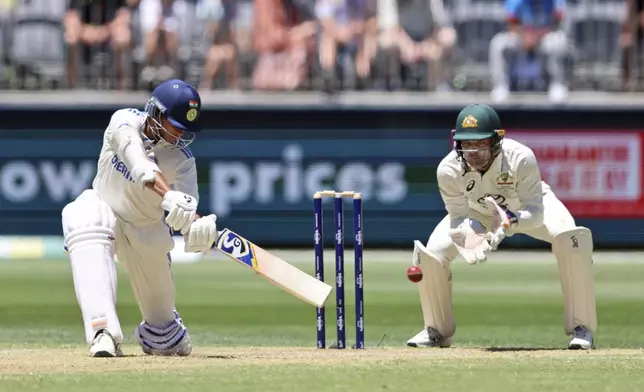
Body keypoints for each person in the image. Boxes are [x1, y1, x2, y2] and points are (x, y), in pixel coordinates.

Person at [407, 104, 597, 350]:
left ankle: (582, 328)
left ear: (497, 140)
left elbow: (536, 213)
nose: (473, 152)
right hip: (478, 212)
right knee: (432, 253)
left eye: (480, 144)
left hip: (525, 208)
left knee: (572, 239)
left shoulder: (520, 157)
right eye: (467, 144)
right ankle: (436, 331)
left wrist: (511, 221)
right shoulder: (448, 169)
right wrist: (470, 233)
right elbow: (457, 215)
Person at [61, 79, 219, 357]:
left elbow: (185, 210)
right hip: (104, 208)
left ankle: (165, 332)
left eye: (185, 130)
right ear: (155, 112)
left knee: (165, 341)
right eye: (175, 126)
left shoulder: (183, 161)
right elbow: (140, 167)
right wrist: (169, 196)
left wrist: (197, 229)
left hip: (147, 231)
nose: (179, 135)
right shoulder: (123, 121)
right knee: (83, 215)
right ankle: (103, 332)